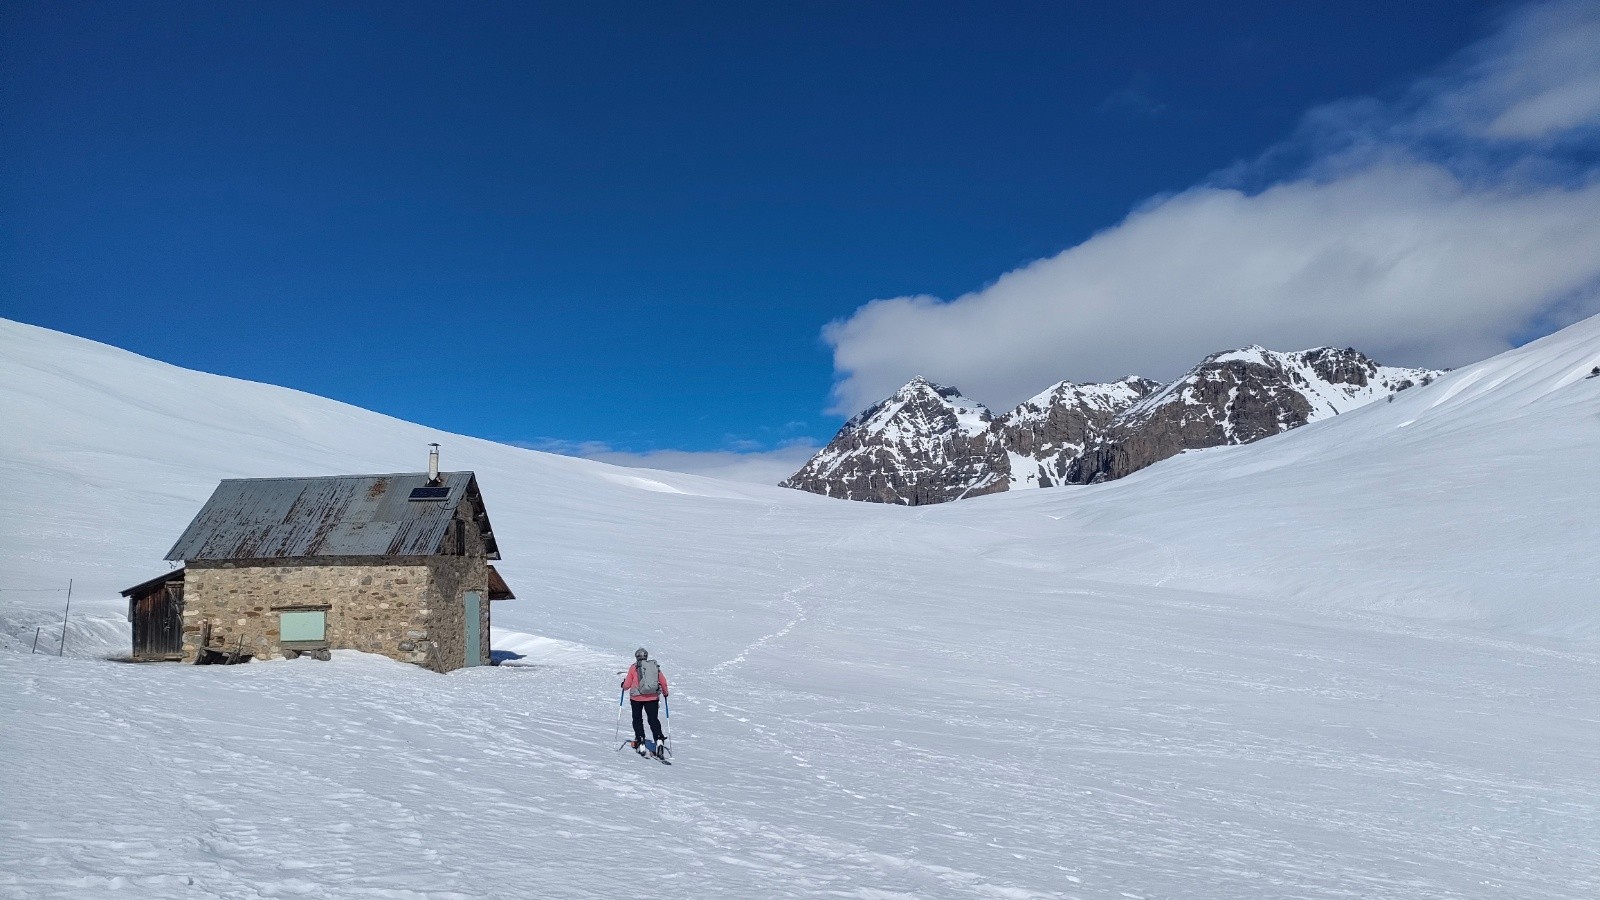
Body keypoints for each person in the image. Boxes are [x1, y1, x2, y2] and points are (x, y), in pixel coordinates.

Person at [621, 647, 669, 755]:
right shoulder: (653, 666)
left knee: (637, 719)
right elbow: (663, 681)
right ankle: (659, 740)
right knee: (653, 719)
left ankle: (640, 740)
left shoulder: (634, 667)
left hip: (636, 698)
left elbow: (627, 684)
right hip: (652, 697)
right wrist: (665, 693)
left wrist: (623, 686)